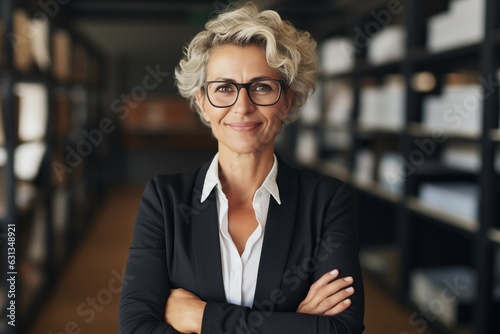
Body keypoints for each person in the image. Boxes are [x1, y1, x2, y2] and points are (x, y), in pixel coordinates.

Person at [119, 2, 364, 333]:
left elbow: (343, 330)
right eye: (224, 88)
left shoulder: (328, 201)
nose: (243, 107)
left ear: (287, 100)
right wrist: (297, 324)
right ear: (202, 103)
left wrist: (200, 317)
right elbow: (136, 329)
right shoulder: (164, 200)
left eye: (262, 87)